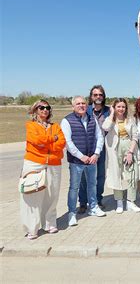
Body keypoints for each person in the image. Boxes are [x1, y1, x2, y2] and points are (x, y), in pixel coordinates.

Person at [20, 100, 66, 239]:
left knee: (52, 194)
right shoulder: (31, 125)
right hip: (34, 163)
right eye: (41, 108)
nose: (45, 110)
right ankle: (31, 228)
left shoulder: (56, 126)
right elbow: (35, 140)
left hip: (53, 163)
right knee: (32, 194)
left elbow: (62, 142)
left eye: (47, 108)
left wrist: (47, 143)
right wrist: (52, 139)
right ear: (35, 110)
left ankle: (50, 223)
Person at [61, 96, 106, 227]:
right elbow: (68, 143)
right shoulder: (67, 120)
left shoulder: (92, 118)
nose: (81, 105)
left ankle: (93, 207)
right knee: (74, 187)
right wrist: (81, 156)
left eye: (83, 103)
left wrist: (96, 153)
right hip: (77, 162)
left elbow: (100, 136)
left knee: (93, 184)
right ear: (73, 106)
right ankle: (72, 213)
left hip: (92, 160)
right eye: (78, 103)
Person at [102, 98, 140, 213]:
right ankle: (119, 202)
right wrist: (111, 114)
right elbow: (105, 127)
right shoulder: (110, 120)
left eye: (123, 107)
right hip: (115, 148)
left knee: (132, 175)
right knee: (116, 174)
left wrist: (130, 152)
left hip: (129, 146)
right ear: (114, 108)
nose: (121, 109)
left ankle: (130, 202)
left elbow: (135, 136)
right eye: (118, 106)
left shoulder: (130, 119)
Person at [78, 85, 110, 214]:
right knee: (84, 177)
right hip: (87, 147)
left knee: (100, 175)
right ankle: (83, 202)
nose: (98, 97)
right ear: (91, 97)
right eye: (95, 95)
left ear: (103, 97)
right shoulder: (86, 110)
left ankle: (97, 199)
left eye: (100, 95)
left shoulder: (108, 111)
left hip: (102, 148)